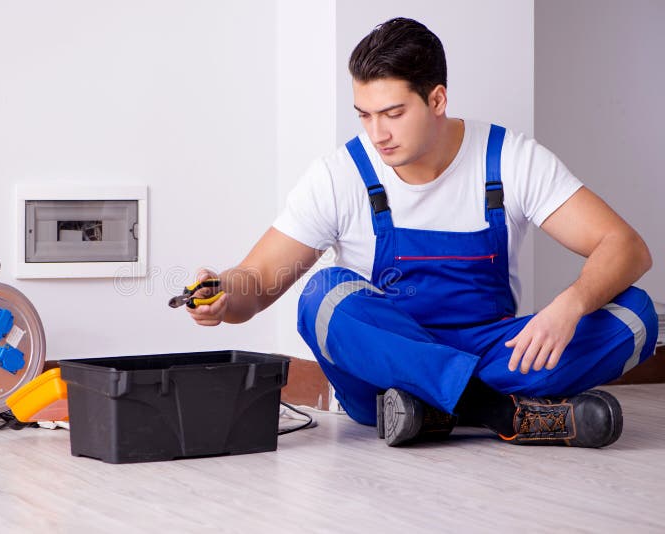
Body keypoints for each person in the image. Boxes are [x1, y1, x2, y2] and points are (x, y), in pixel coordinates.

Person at [185, 17, 658, 448]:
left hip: (490, 348)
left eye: (392, 113)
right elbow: (260, 279)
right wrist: (224, 292)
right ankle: (497, 411)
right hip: (380, 369)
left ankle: (431, 411)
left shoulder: (509, 158)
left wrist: (569, 305)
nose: (377, 133)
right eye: (364, 115)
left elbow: (627, 247)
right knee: (322, 294)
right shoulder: (340, 173)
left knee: (637, 314)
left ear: (437, 99)